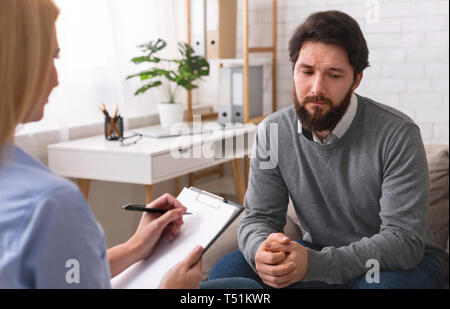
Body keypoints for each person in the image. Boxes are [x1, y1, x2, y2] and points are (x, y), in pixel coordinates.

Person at [0, 0, 260, 289]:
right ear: (17, 63)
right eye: (52, 58)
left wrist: (135, 246)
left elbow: (65, 274)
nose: (57, 78)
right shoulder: (51, 204)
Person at [209, 10, 449, 289]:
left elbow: (403, 242)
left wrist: (315, 264)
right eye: (307, 71)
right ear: (294, 69)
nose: (316, 88)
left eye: (334, 75)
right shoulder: (273, 132)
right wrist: (262, 250)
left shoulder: (397, 134)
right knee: (229, 268)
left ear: (356, 80)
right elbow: (259, 217)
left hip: (393, 264)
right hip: (319, 251)